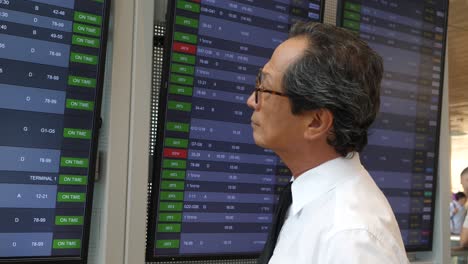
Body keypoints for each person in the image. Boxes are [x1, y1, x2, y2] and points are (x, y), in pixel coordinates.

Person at [247, 22, 408, 263]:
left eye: (265, 89)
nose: (252, 101)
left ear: (316, 121)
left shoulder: (351, 238)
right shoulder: (309, 202)